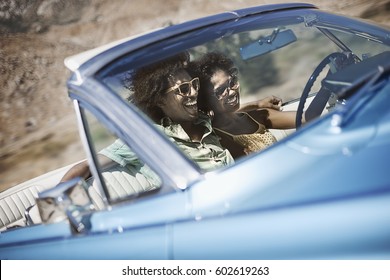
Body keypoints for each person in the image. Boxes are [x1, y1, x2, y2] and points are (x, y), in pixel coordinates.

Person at [61, 52, 234, 184]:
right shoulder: (149, 137)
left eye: (194, 84)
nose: (193, 92)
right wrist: (55, 204)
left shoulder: (205, 121)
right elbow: (85, 167)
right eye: (183, 89)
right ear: (159, 99)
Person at [191, 52, 301, 159]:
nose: (232, 92)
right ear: (205, 99)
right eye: (220, 91)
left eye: (232, 82)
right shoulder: (219, 139)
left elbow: (306, 117)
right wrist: (256, 104)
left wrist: (257, 104)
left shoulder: (256, 116)